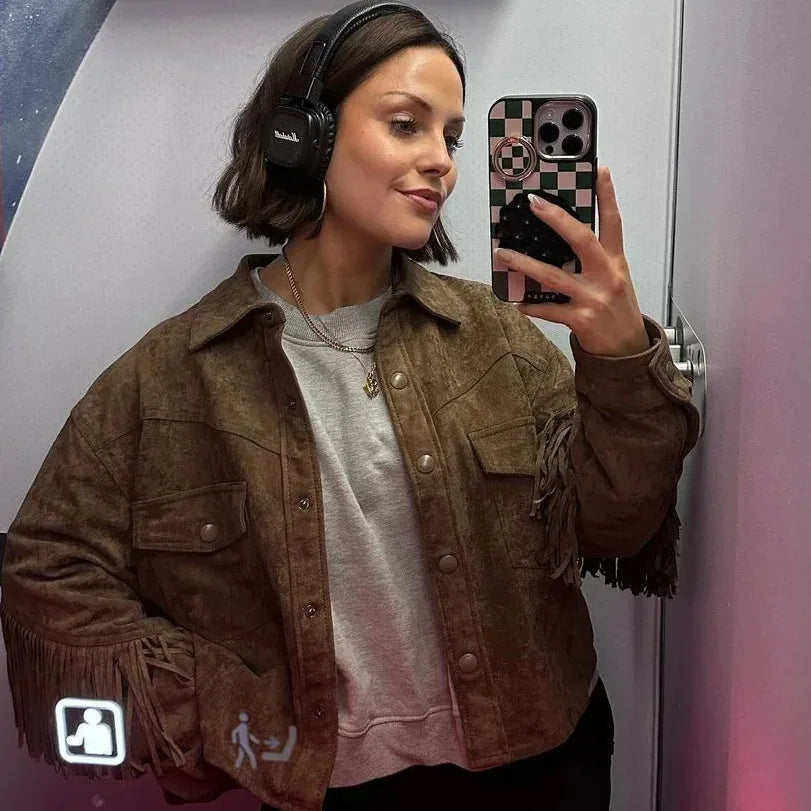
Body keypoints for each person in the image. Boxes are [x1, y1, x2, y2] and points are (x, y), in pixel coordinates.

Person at [0, 3, 700, 810]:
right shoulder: (175, 377)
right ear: (302, 136)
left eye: (451, 137)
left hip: (540, 760)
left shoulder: (495, 340)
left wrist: (617, 354)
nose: (440, 161)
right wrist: (206, 706)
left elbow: (615, 525)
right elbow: (47, 567)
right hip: (326, 787)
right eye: (406, 125)